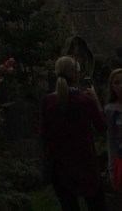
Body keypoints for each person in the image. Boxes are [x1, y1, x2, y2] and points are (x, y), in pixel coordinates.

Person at [39, 56, 106, 211]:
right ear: (76, 75)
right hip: (85, 164)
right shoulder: (85, 101)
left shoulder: (47, 101)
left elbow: (43, 133)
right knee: (96, 205)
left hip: (59, 165)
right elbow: (102, 126)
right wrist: (96, 101)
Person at [106, 68, 122, 192]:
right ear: (112, 87)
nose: (121, 86)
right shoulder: (111, 110)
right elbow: (111, 140)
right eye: (117, 83)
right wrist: (111, 168)